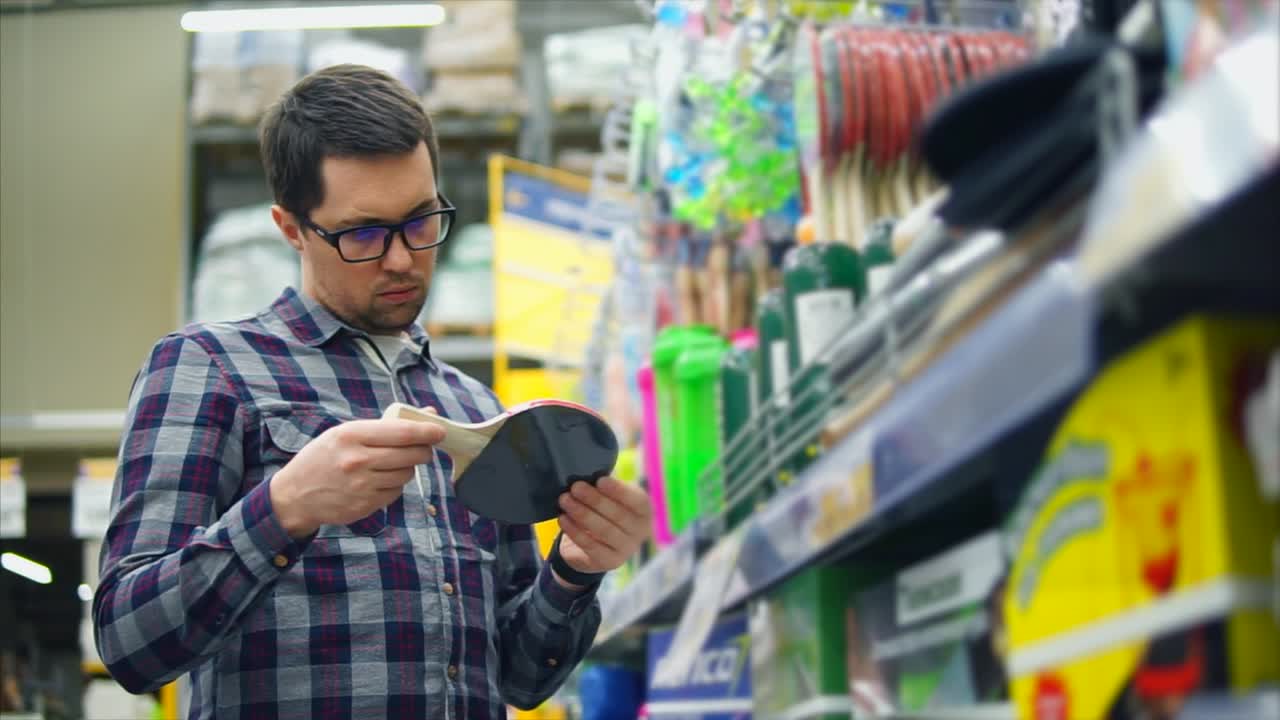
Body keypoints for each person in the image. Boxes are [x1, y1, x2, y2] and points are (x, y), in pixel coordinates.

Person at [93, 64, 651, 720]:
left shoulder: (475, 411)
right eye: (362, 234)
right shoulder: (208, 369)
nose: (400, 259)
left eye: (420, 222)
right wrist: (285, 507)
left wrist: (576, 569)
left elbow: (520, 679)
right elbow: (128, 642)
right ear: (291, 228)